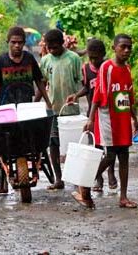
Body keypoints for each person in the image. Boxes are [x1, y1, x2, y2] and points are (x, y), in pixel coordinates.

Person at [0, 26, 52, 194]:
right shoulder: (0, 62)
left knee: (29, 141)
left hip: (25, 109)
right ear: (8, 43)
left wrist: (47, 103)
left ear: (24, 43)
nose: (17, 46)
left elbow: (39, 82)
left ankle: (40, 170)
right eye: (13, 42)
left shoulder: (29, 60)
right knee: (2, 146)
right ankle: (2, 182)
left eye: (20, 43)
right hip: (5, 109)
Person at [71, 34, 138, 208]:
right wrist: (91, 119)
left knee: (124, 156)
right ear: (114, 47)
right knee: (109, 155)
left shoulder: (128, 69)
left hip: (123, 120)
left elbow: (129, 97)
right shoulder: (106, 68)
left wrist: (135, 120)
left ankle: (123, 197)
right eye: (123, 46)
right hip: (108, 119)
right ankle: (85, 183)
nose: (126, 50)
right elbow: (97, 95)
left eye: (129, 47)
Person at [66, 38, 118, 191]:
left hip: (108, 114)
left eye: (97, 57)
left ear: (103, 54)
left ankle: (110, 173)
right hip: (93, 113)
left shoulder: (108, 67)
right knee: (96, 148)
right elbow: (88, 88)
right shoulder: (86, 69)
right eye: (91, 57)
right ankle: (99, 180)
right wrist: (76, 95)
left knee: (110, 146)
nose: (94, 60)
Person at [36, 28, 83, 190]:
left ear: (62, 43)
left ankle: (77, 179)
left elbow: (81, 83)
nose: (52, 50)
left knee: (74, 145)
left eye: (55, 47)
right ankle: (58, 179)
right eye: (49, 47)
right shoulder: (45, 61)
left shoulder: (74, 59)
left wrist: (76, 96)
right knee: (53, 143)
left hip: (71, 111)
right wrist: (36, 103)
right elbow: (42, 84)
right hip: (53, 110)